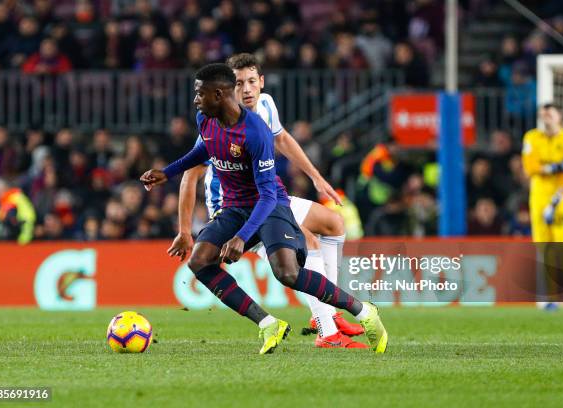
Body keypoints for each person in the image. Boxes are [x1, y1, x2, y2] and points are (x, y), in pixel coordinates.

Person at [140, 63, 387, 354]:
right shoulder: (205, 119)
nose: (195, 100)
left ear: (218, 94)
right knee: (199, 261)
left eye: (199, 94)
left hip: (268, 205)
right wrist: (167, 172)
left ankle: (362, 311)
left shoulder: (255, 132)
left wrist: (243, 236)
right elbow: (204, 150)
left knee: (288, 273)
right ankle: (268, 323)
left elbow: (268, 194)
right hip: (233, 207)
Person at [521, 103, 563, 310]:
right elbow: (529, 168)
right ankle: (551, 298)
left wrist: (554, 203)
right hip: (538, 200)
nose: (545, 116)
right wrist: (553, 166)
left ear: (559, 116)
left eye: (549, 113)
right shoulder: (531, 138)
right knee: (545, 248)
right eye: (542, 113)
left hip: (562, 201)